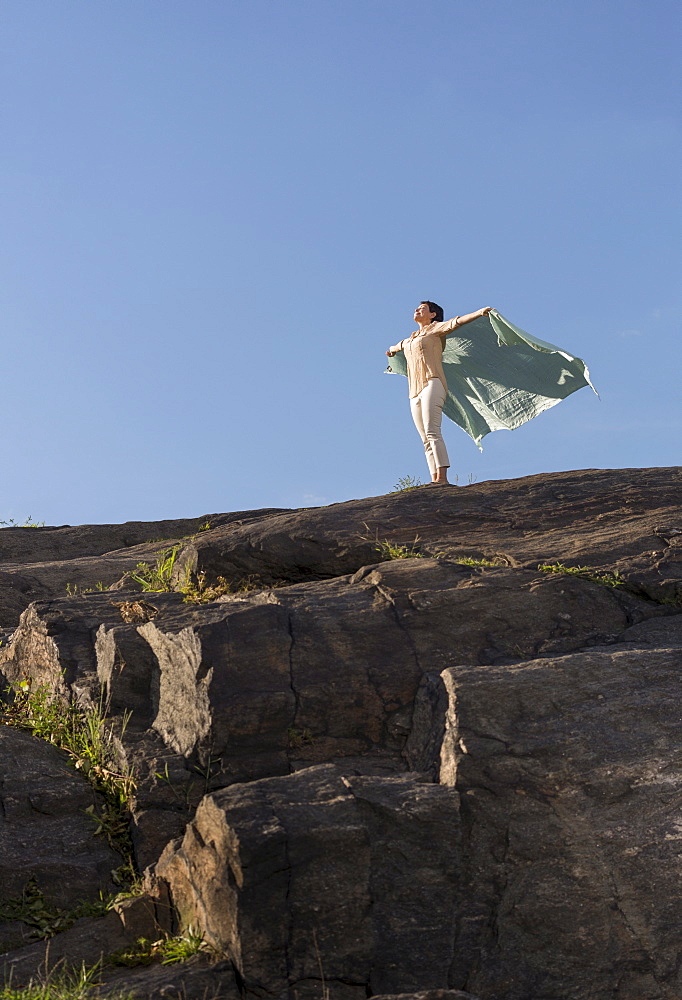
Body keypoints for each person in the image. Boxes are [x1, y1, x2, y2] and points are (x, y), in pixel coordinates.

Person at [386, 301, 492, 485]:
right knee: (424, 438)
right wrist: (392, 352)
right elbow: (397, 346)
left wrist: (479, 312)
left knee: (432, 430)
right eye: (416, 308)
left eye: (422, 308)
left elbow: (456, 322)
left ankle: (443, 478)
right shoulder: (410, 339)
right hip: (414, 390)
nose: (417, 310)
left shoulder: (435, 329)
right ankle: (434, 478)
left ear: (433, 314)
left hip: (433, 383)